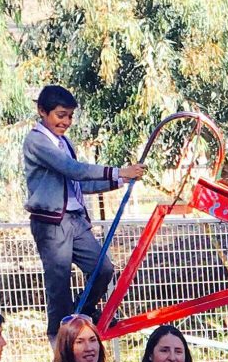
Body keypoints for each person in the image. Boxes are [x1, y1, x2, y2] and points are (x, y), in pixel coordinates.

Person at [23, 83, 144, 335]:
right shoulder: (37, 141)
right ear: (42, 111)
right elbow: (73, 170)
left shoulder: (64, 143)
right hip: (52, 222)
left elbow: (78, 183)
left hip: (76, 219)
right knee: (59, 283)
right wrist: (118, 170)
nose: (66, 122)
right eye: (60, 115)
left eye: (70, 116)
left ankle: (83, 311)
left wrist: (121, 179)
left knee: (103, 269)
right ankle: (58, 337)